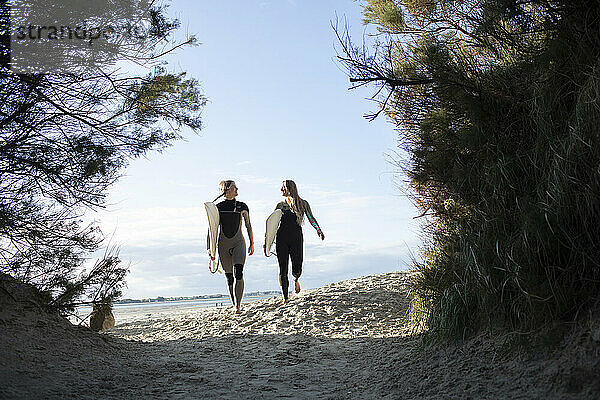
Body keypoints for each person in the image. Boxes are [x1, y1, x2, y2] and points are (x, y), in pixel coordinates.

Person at [267, 180, 324, 303]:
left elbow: (310, 218)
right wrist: (268, 242)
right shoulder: (280, 205)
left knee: (297, 265)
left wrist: (318, 229)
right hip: (281, 239)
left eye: (283, 188)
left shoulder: (303, 203)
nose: (281, 190)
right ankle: (285, 297)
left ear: (290, 189)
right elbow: (272, 226)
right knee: (283, 268)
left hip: (296, 238)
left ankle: (296, 278)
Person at [208, 180, 254, 313]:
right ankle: (234, 303)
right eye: (234, 187)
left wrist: (252, 242)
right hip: (223, 244)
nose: (237, 188)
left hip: (239, 242)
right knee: (229, 277)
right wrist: (210, 248)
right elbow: (211, 229)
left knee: (238, 272)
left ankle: (238, 306)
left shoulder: (242, 206)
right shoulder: (217, 207)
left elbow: (248, 225)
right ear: (227, 189)